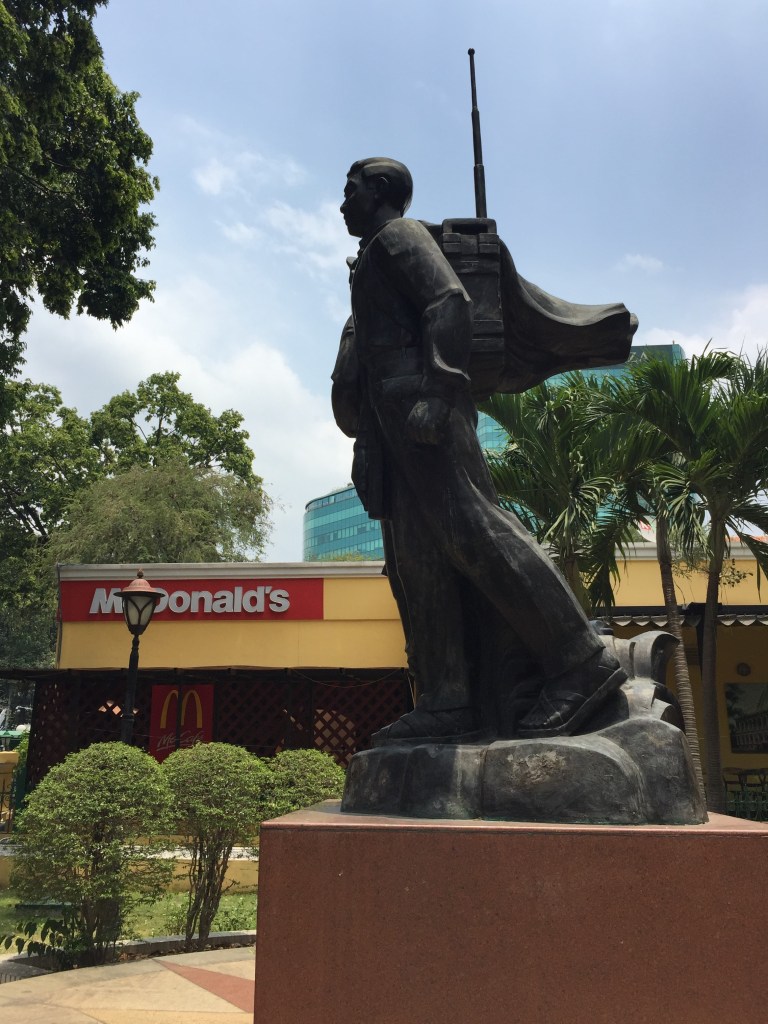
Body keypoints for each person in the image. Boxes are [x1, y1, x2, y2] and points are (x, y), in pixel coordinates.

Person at [333, 157, 627, 745]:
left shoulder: (399, 236)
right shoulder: (369, 257)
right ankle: (446, 701)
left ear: (382, 192)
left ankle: (580, 661)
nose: (342, 202)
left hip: (422, 410)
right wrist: (369, 436)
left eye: (351, 190)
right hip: (393, 423)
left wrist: (441, 390)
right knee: (420, 563)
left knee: (476, 533)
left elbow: (448, 300)